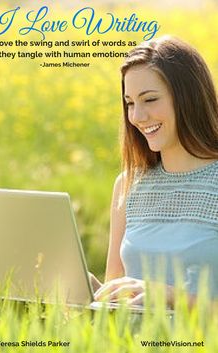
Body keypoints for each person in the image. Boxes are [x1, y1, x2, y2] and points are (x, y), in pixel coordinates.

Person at [90, 35, 218, 309]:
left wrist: (172, 297)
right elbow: (115, 299)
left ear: (188, 98)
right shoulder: (128, 185)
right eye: (130, 103)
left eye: (149, 99)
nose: (137, 116)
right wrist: (83, 294)